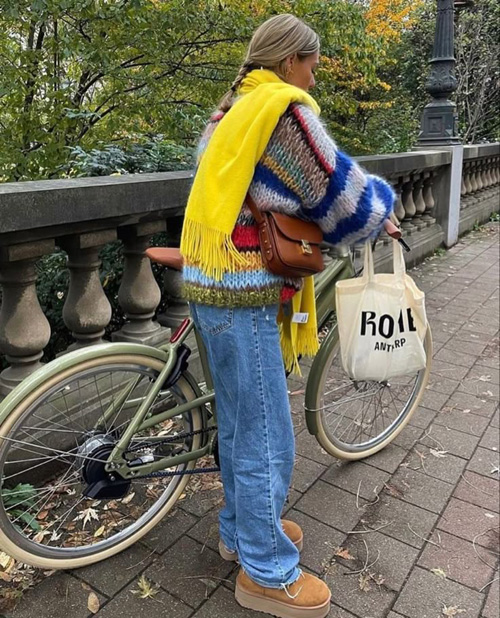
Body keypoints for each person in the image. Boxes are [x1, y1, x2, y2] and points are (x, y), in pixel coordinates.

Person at [180, 13, 395, 618]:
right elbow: (336, 190)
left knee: (239, 422)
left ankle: (240, 532)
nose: (314, 79)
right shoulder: (283, 111)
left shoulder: (227, 112)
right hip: (245, 290)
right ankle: (267, 573)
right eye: (312, 65)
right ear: (288, 61)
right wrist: (382, 214)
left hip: (208, 279)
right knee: (267, 434)